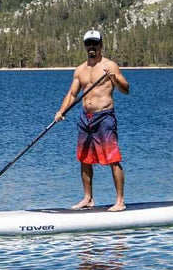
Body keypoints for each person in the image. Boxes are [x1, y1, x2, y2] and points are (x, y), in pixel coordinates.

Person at [53, 29, 130, 211]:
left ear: (101, 45)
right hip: (85, 119)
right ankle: (88, 198)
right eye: (89, 44)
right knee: (84, 159)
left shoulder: (109, 65)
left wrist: (114, 77)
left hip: (104, 116)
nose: (92, 47)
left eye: (95, 43)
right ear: (85, 47)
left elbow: (125, 89)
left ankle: (120, 201)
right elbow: (72, 94)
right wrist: (61, 111)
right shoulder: (80, 70)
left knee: (113, 158)